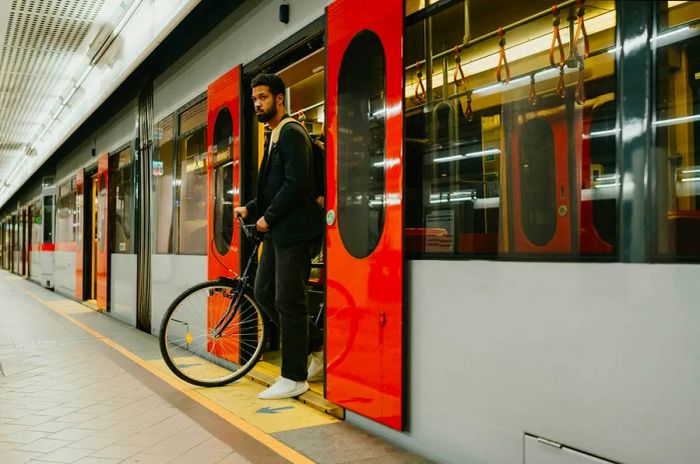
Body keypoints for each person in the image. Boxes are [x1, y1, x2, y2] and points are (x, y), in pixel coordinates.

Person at [234, 73, 324, 400]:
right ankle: (316, 344)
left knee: (289, 300)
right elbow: (275, 189)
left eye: (263, 97)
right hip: (279, 231)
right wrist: (252, 207)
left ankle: (294, 376)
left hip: (295, 232)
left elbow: (296, 183)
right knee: (265, 291)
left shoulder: (290, 133)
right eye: (254, 98)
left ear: (280, 98)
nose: (257, 103)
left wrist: (266, 219)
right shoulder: (273, 136)